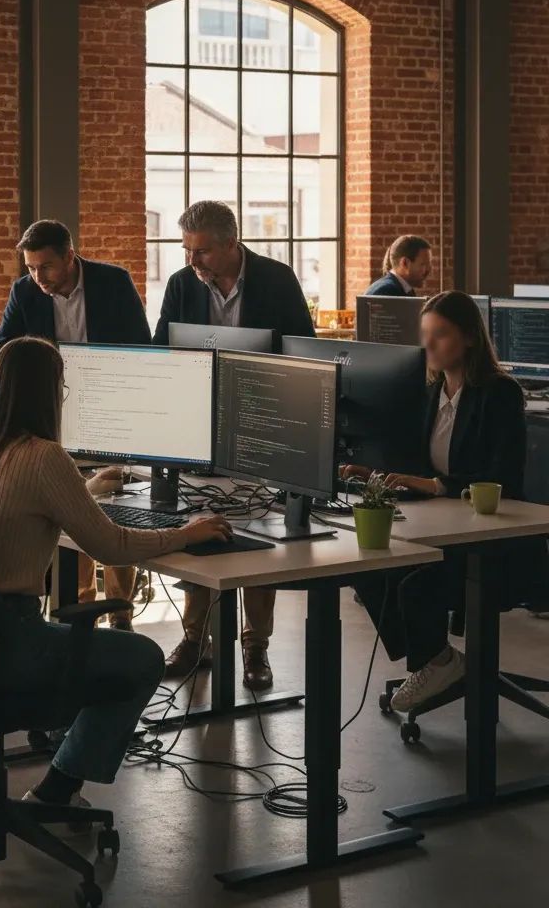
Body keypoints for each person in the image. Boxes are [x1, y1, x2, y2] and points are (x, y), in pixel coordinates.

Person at [0, 336, 232, 809]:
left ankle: (63, 749)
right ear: (49, 392)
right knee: (139, 659)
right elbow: (111, 546)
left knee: (95, 652)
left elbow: (15, 507)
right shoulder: (42, 457)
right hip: (11, 644)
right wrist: (187, 533)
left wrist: (83, 490)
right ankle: (57, 789)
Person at [346, 291, 547, 710]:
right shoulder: (428, 393)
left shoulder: (499, 394)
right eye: (425, 335)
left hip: (495, 539)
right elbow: (410, 461)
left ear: (469, 338)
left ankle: (435, 664)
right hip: (440, 526)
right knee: (367, 568)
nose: (430, 346)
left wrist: (435, 486)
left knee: (416, 583)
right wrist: (372, 471)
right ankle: (436, 660)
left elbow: (502, 479)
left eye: (441, 335)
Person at [152, 199, 316, 688]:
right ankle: (194, 637)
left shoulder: (276, 278)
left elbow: (301, 348)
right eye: (187, 250)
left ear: (230, 243)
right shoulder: (183, 285)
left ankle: (255, 646)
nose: (192, 260)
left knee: (258, 534)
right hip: (199, 421)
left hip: (261, 419)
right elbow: (162, 347)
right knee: (201, 524)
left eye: (201, 251)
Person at [0, 219, 152, 630]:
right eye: (30, 267)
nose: (38, 277)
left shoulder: (113, 283)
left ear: (70, 256)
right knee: (72, 499)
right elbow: (2, 349)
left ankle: (121, 614)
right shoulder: (25, 291)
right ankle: (79, 613)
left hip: (111, 405)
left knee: (118, 502)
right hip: (54, 407)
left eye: (45, 266)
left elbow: (141, 347)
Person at [364, 235, 432, 297]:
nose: (429, 270)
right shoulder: (387, 292)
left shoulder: (400, 289)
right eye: (423, 264)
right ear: (405, 263)